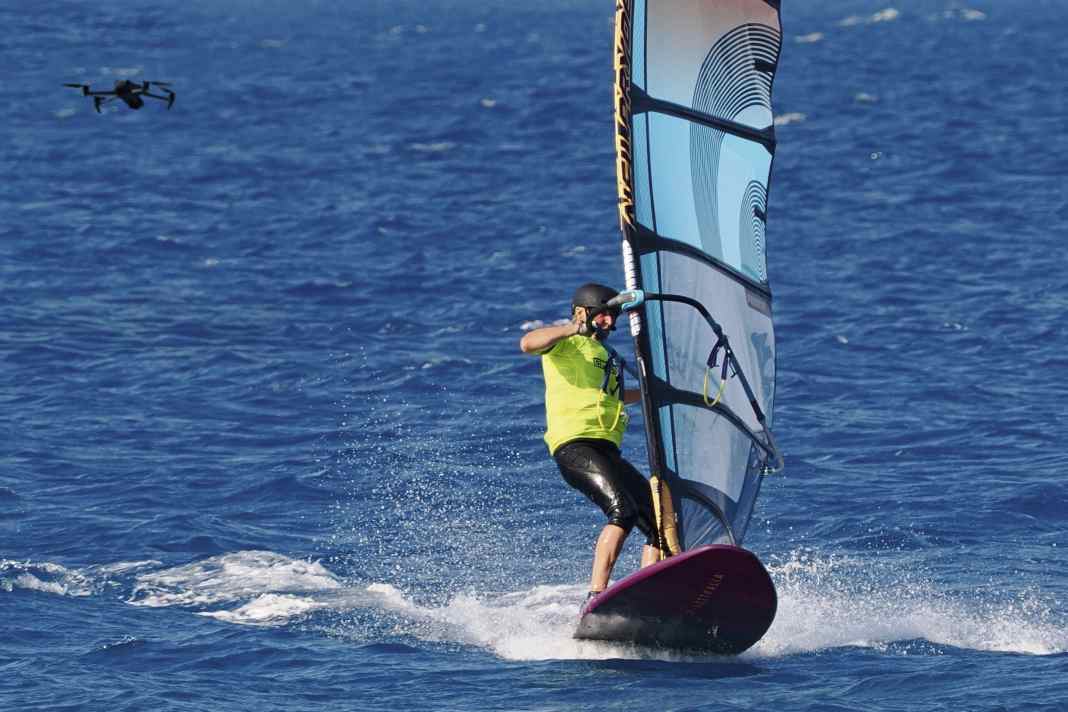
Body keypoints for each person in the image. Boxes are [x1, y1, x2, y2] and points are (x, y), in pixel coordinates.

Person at [519, 283, 662, 602]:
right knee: (623, 510)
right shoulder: (566, 343)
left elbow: (616, 396)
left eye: (613, 317)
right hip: (575, 445)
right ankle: (596, 595)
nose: (610, 322)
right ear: (582, 313)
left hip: (607, 449)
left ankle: (650, 592)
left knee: (660, 519)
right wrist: (573, 328)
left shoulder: (607, 355)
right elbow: (528, 343)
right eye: (603, 315)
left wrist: (655, 393)